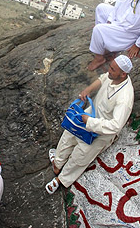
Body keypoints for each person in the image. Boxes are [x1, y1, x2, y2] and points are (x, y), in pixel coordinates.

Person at [46, 55, 134, 194]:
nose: (109, 70)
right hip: (90, 114)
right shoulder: (113, 76)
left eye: (112, 69)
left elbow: (116, 126)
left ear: (123, 74)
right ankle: (57, 163)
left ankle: (61, 179)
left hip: (101, 131)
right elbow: (102, 79)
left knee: (81, 155)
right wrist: (88, 90)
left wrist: (90, 122)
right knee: (68, 135)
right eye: (110, 67)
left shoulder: (125, 98)